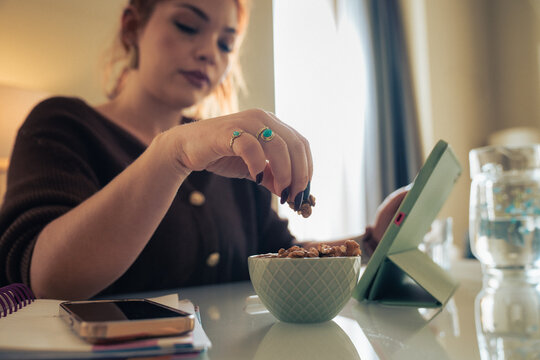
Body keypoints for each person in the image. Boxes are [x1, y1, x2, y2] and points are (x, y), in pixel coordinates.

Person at [0, 0, 406, 300]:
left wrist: (368, 243)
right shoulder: (62, 124)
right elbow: (47, 280)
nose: (210, 52)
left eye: (226, 45)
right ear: (131, 28)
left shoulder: (235, 155)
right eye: (187, 25)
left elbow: (280, 256)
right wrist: (170, 153)